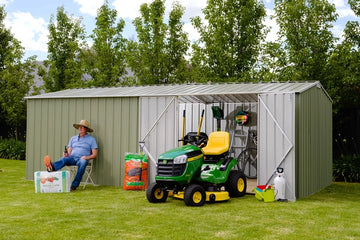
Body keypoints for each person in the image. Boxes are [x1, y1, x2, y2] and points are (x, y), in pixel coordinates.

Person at [44, 119, 98, 191]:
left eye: (82, 127)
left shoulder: (91, 139)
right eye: (79, 127)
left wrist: (86, 157)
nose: (80, 128)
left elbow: (94, 154)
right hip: (72, 158)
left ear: (86, 129)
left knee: (83, 162)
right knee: (64, 159)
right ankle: (52, 168)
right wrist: (66, 154)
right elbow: (69, 152)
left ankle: (74, 186)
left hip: (81, 159)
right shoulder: (73, 138)